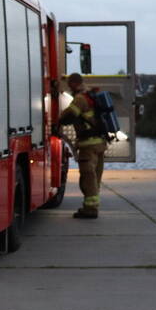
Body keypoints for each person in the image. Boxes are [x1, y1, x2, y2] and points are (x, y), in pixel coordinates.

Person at [57, 72, 108, 219]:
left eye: (69, 85)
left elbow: (69, 115)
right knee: (95, 177)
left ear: (73, 83)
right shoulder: (91, 95)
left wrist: (58, 120)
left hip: (88, 145)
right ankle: (92, 206)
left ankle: (90, 209)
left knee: (87, 177)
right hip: (100, 143)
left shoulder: (80, 99)